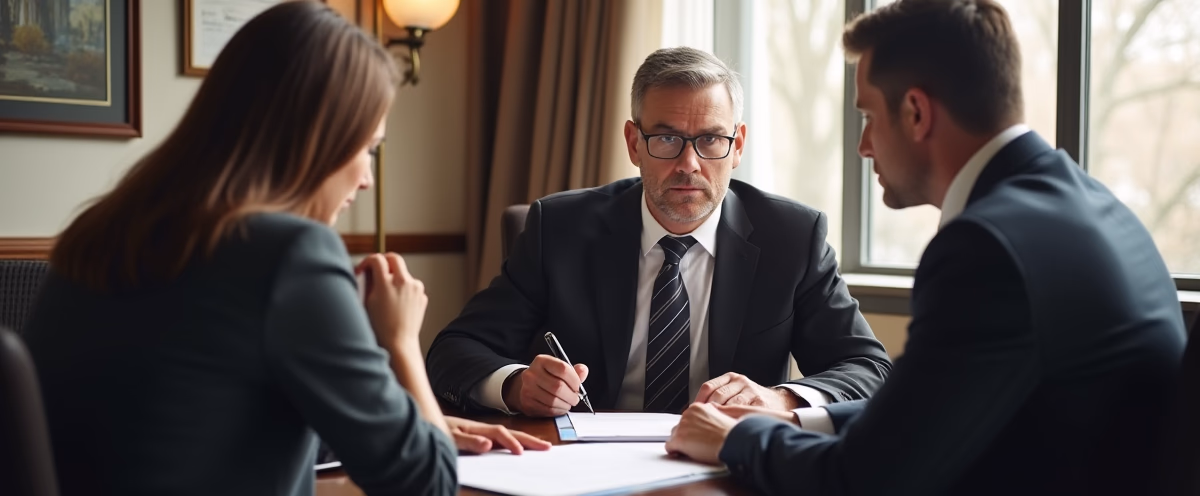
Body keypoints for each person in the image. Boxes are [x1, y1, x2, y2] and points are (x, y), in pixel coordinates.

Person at [664, 1, 1188, 494]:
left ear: (916, 112)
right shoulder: (1088, 204)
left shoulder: (988, 247)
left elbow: (864, 480)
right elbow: (929, 412)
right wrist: (798, 419)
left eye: (868, 117)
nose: (863, 146)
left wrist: (738, 438)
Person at [23, 3, 547, 496]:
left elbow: (203, 426)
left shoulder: (101, 231)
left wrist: (412, 424)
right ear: (315, 137)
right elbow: (427, 483)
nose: (367, 178)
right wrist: (401, 342)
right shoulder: (290, 255)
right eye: (368, 148)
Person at [426, 47, 891, 418]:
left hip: (726, 462)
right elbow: (454, 351)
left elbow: (869, 368)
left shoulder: (792, 237)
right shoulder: (560, 229)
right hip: (585, 469)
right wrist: (515, 385)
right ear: (634, 143)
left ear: (738, 146)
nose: (689, 164)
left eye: (711, 139)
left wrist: (780, 399)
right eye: (666, 138)